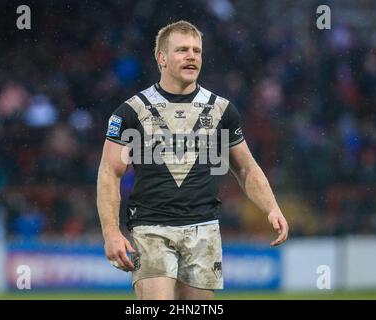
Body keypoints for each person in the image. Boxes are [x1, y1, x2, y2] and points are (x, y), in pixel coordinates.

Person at [97, 20, 288, 300]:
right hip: (151, 227)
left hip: (204, 229)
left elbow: (246, 168)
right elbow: (109, 173)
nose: (191, 56)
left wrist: (272, 207)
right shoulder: (130, 112)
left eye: (196, 51)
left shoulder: (222, 110)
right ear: (161, 58)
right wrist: (111, 232)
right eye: (182, 50)